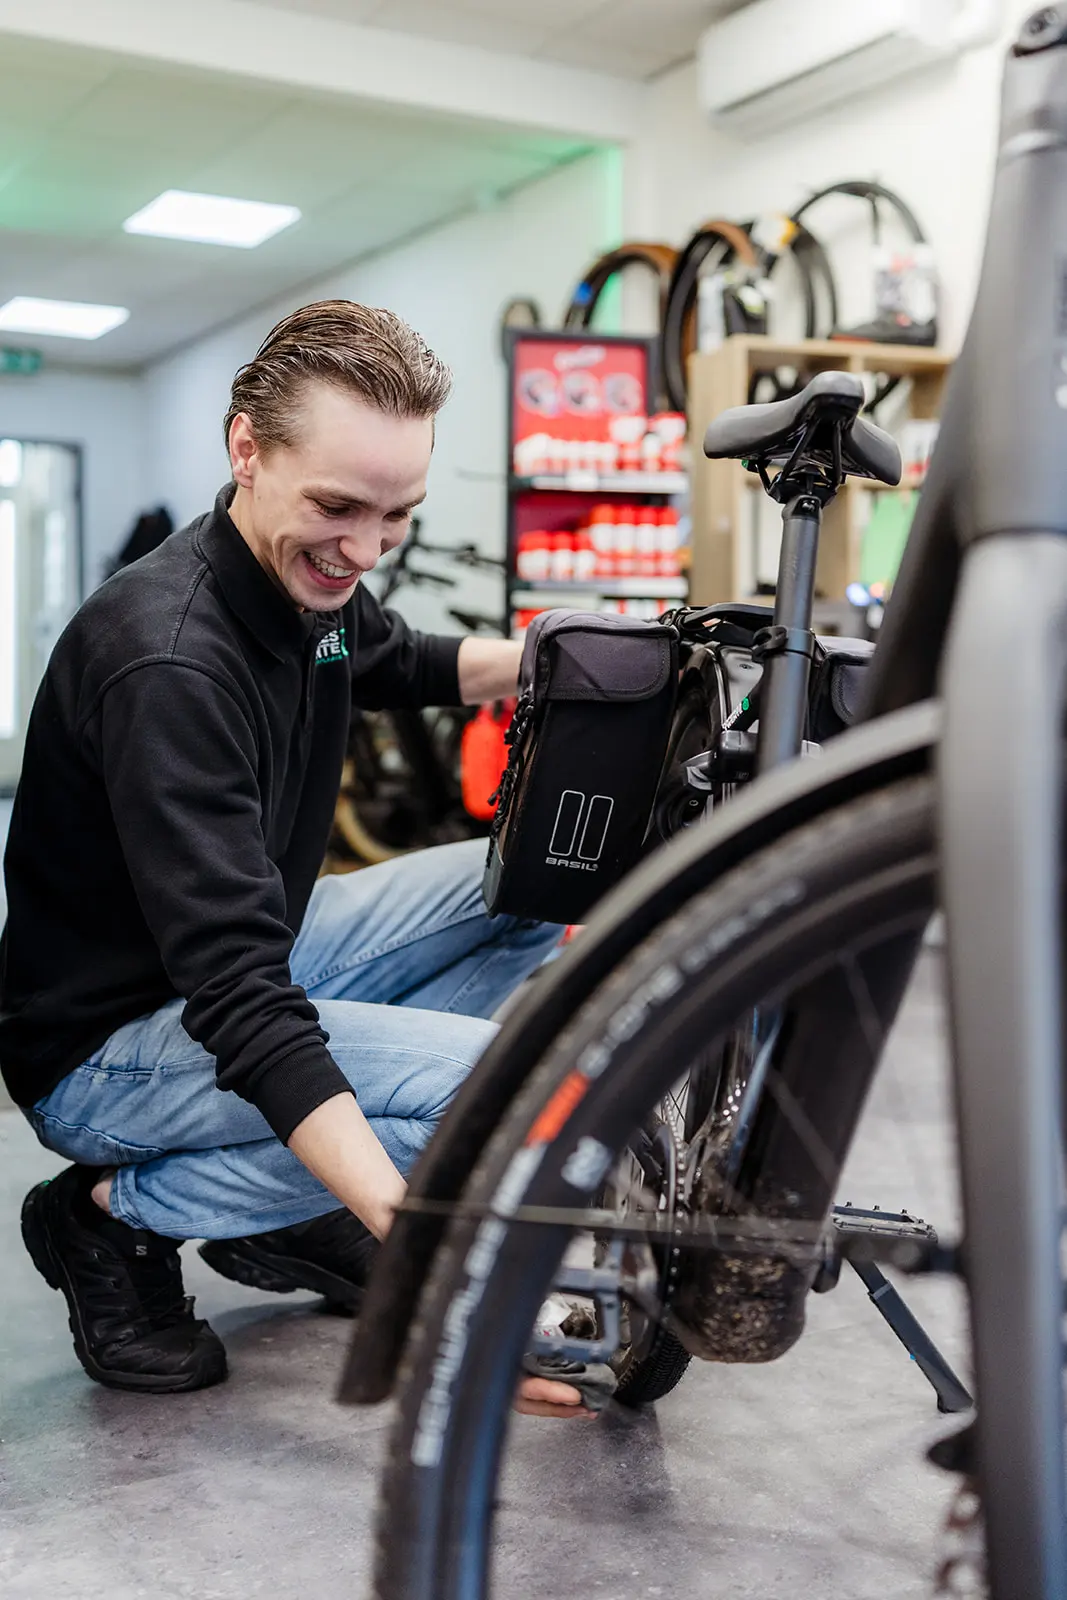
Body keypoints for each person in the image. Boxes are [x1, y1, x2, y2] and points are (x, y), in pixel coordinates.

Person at [0, 300, 588, 1419]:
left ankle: (304, 1196)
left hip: (238, 966)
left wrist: (574, 662)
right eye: (337, 507)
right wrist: (434, 1268)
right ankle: (111, 1214)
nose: (363, 552)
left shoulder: (299, 583)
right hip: (109, 1047)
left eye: (395, 518)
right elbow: (241, 1000)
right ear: (245, 449)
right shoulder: (168, 661)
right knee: (483, 1093)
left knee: (521, 880)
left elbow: (394, 657)